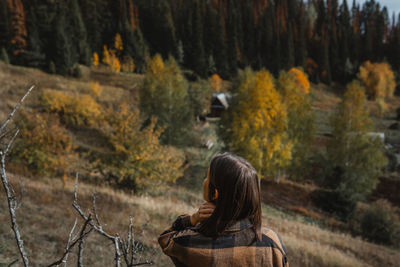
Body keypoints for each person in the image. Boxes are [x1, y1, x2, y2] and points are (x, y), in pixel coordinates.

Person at [158, 153, 289, 267]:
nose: (204, 181)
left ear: (215, 193)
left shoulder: (191, 242)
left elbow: (165, 238)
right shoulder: (271, 242)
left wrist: (193, 218)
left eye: (207, 177)